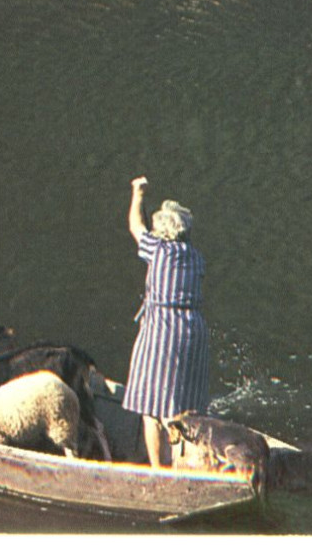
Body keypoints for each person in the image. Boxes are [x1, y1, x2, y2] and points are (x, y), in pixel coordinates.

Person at [122, 175, 211, 468]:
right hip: (194, 331)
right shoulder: (196, 258)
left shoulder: (157, 251)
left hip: (164, 330)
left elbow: (136, 226)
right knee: (185, 409)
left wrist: (138, 194)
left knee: (151, 406)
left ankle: (159, 471)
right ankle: (184, 464)